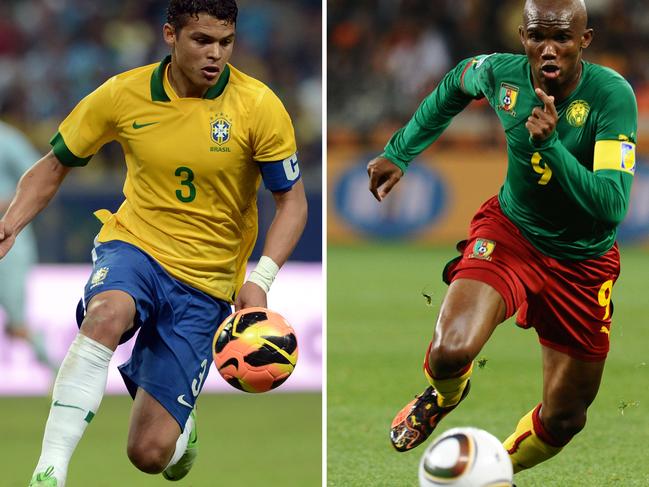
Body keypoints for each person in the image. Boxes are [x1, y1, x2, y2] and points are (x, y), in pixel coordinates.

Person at [0, 1, 307, 485]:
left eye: (225, 43)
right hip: (135, 245)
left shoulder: (258, 106)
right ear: (170, 35)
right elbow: (54, 164)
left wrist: (261, 278)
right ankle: (49, 469)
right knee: (106, 314)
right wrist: (11, 223)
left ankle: (182, 429)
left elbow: (292, 202)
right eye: (201, 41)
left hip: (207, 282)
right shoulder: (123, 94)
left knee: (148, 454)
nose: (215, 54)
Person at [367, 0, 636, 475]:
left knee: (565, 417)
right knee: (450, 351)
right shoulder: (502, 75)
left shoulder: (612, 96)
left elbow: (612, 205)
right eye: (537, 37)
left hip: (583, 262)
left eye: (562, 39)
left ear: (584, 41)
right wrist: (400, 151)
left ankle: (492, 470)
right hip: (512, 235)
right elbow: (455, 81)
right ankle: (446, 395)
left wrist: (550, 146)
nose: (548, 49)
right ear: (522, 36)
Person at [0, 120, 57, 372]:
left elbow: (40, 178)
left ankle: (56, 369)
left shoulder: (7, 139)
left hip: (9, 239)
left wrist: (7, 205)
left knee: (17, 324)